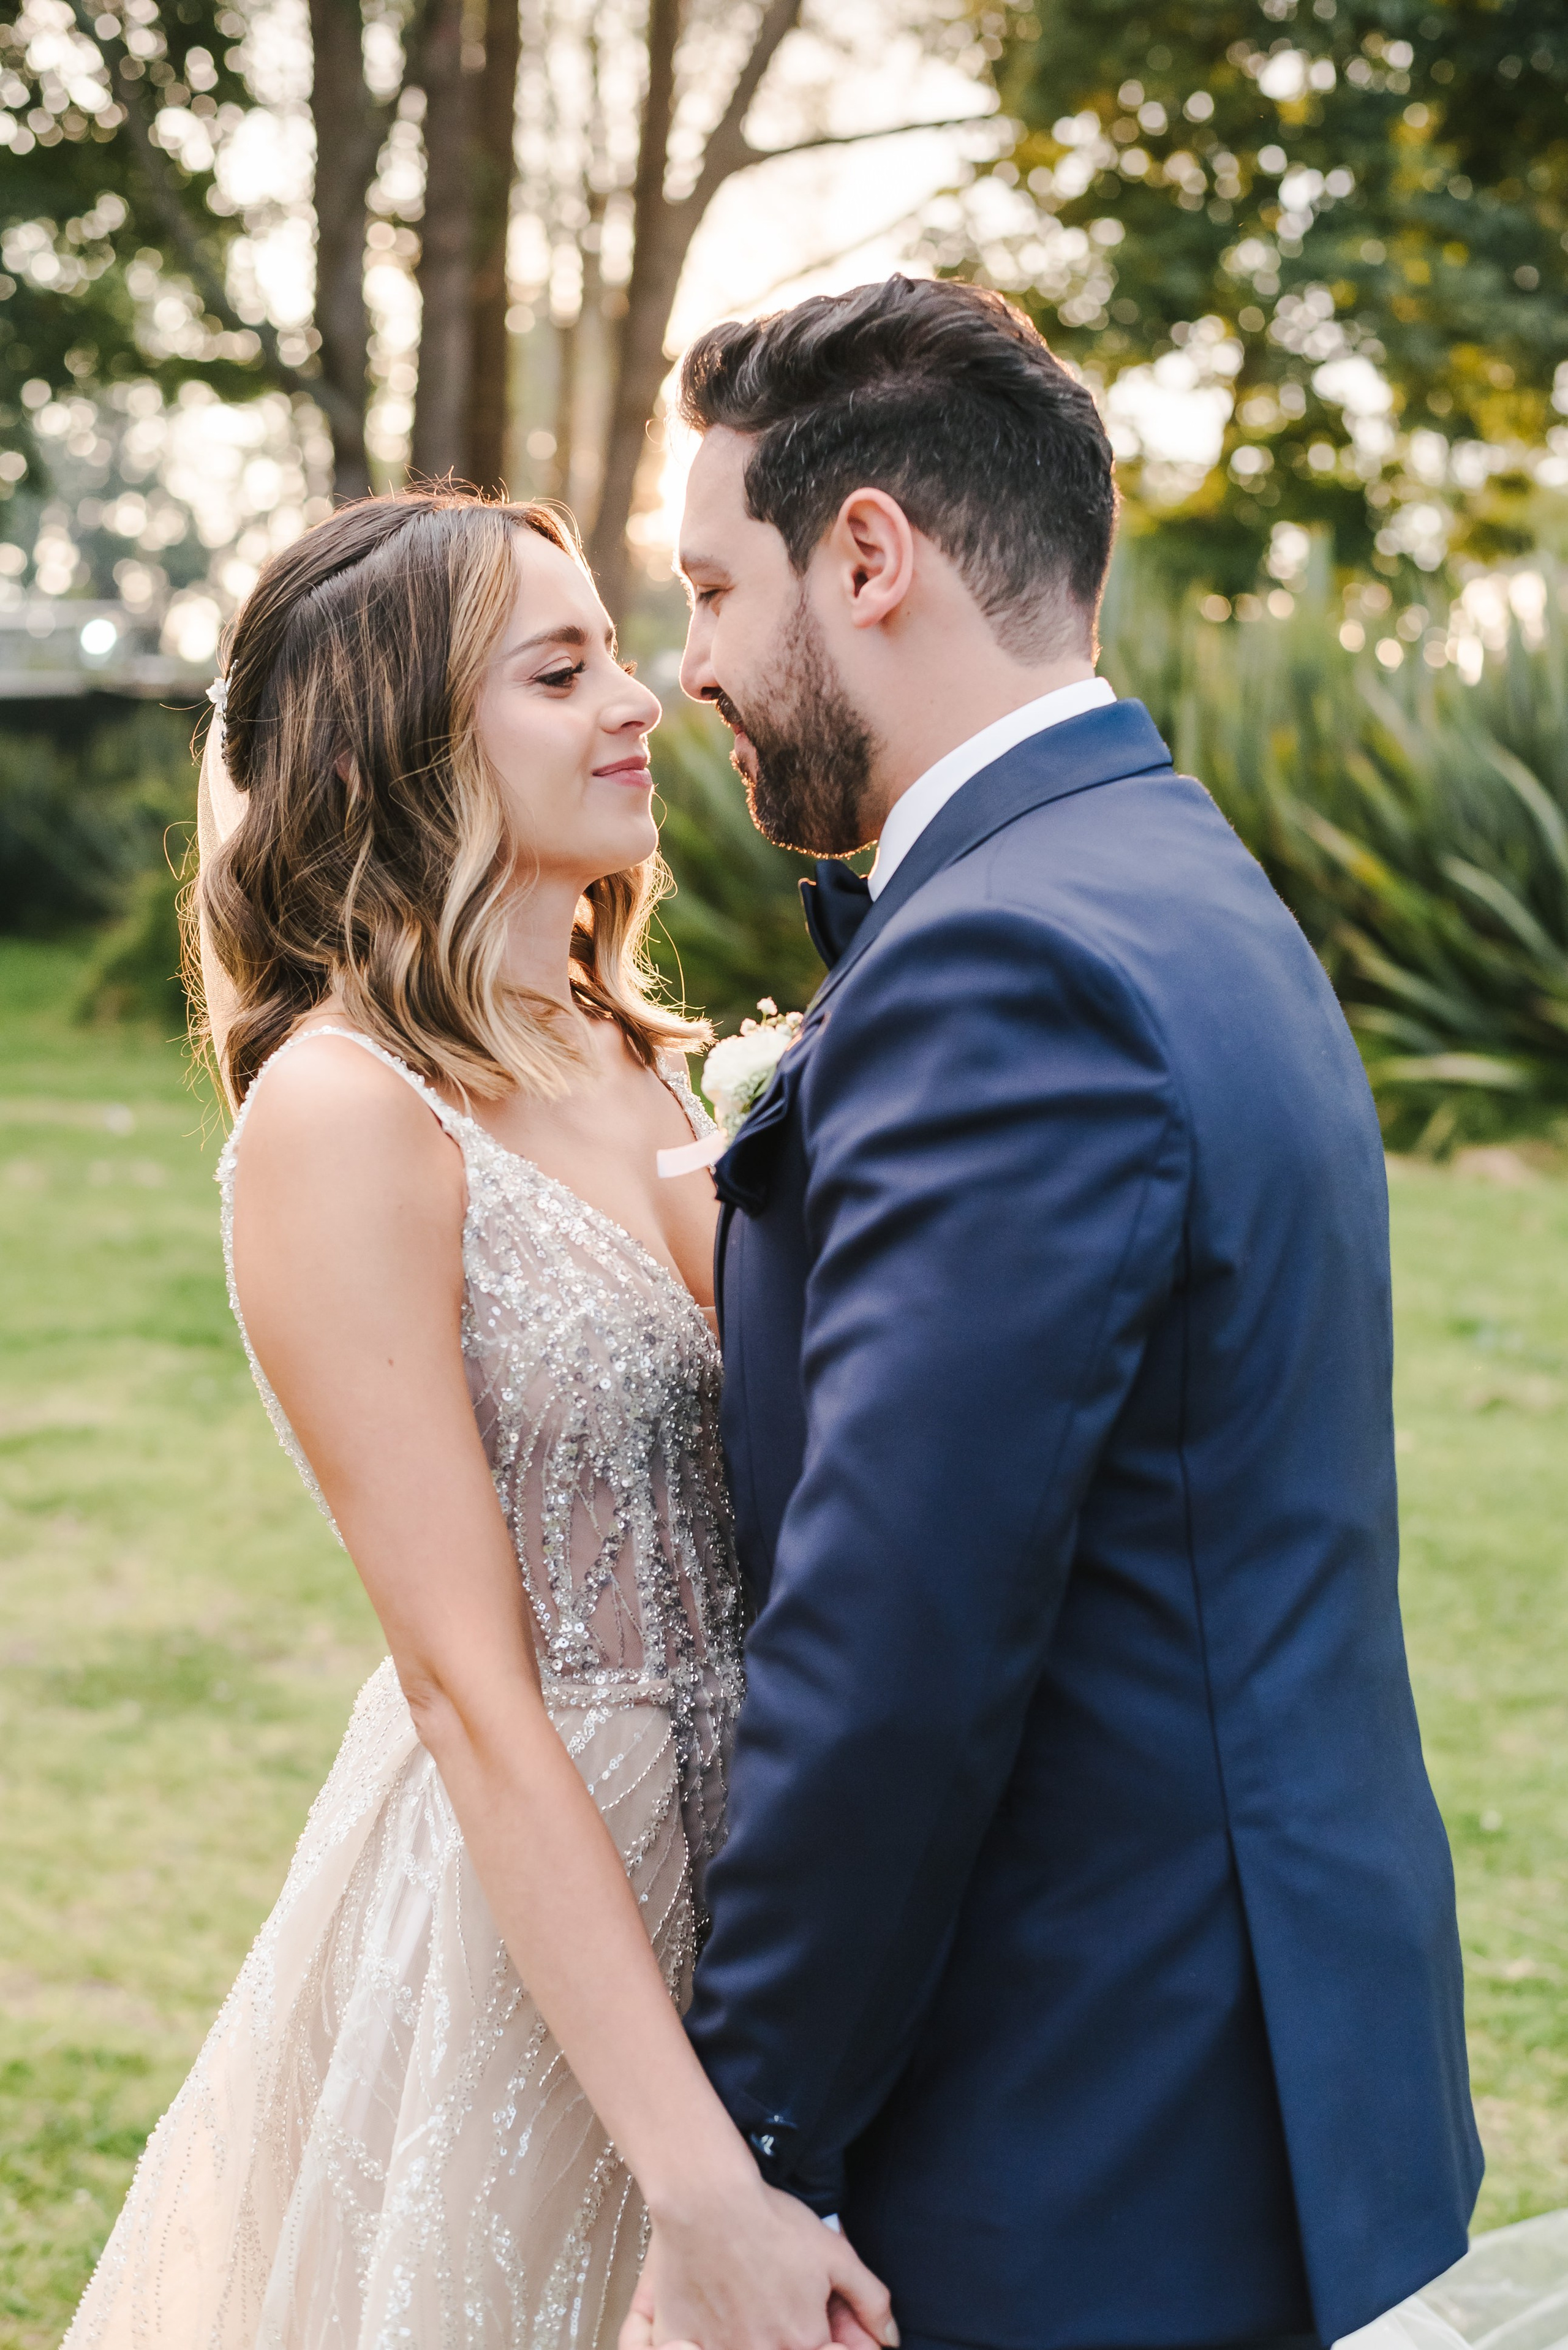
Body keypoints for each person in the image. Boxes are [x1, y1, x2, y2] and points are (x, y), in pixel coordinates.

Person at [628, 275, 1483, 2350]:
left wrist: (743, 2156)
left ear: (868, 555)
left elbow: (899, 1639)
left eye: (714, 586)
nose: (695, 666)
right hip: (1278, 2065)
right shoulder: (1178, 876)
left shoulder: (1004, 965)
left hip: (1092, 2130)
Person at [64, 489, 895, 2350]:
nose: (639, 700)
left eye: (614, 648)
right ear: (404, 739)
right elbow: (465, 1687)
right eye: (560, 666)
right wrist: (698, 2176)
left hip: (776, 1873)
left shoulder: (659, 1059)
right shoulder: (343, 1114)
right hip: (542, 1917)